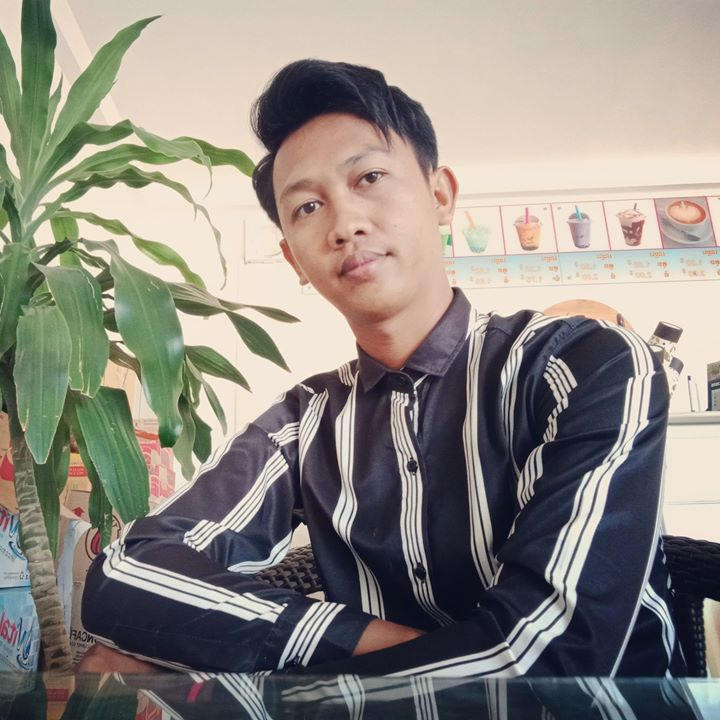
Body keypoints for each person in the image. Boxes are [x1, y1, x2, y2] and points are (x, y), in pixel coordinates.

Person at [80, 59, 684, 676]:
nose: (345, 224)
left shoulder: (584, 364)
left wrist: (253, 672)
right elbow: (126, 572)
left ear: (440, 196)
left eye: (369, 177)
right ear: (293, 259)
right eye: (307, 207)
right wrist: (409, 651)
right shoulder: (303, 424)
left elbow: (550, 660)